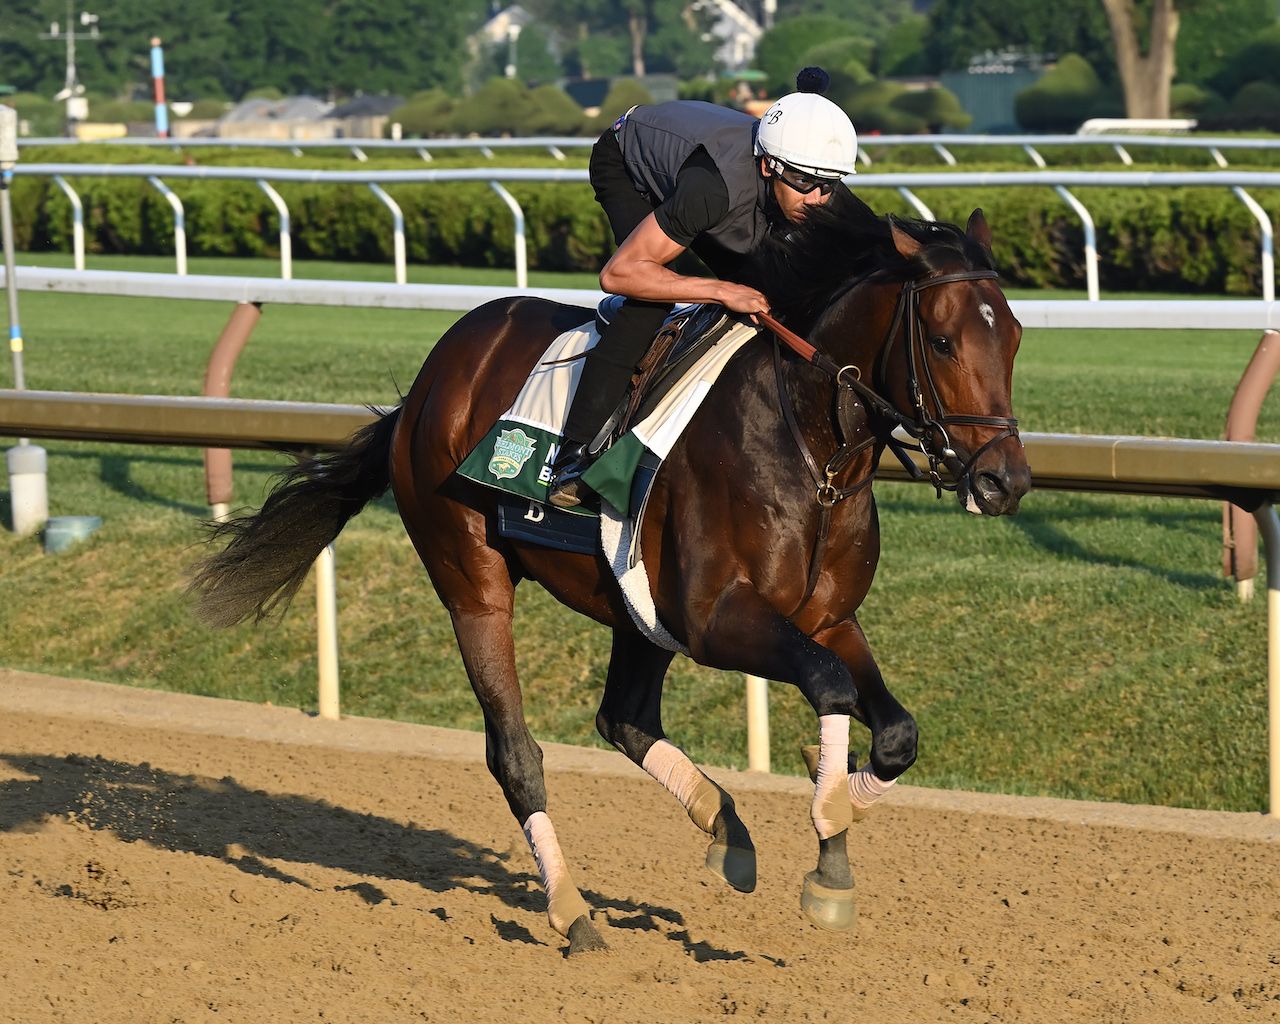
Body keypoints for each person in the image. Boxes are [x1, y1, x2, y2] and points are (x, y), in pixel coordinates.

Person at [547, 67, 859, 510]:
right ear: (771, 164)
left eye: (829, 186)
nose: (817, 199)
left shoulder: (813, 180)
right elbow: (619, 274)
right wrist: (720, 291)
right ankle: (574, 457)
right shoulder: (712, 190)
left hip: (715, 180)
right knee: (649, 304)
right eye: (806, 184)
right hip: (630, 162)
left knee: (775, 291)